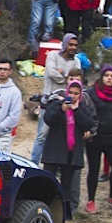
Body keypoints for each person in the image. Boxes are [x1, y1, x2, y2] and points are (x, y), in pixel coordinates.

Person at [42, 80, 95, 214]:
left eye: (76, 93)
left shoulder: (83, 107)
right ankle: (44, 208)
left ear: (80, 95)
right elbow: (48, 119)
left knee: (66, 186)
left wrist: (76, 110)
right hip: (54, 151)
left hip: (70, 154)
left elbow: (88, 124)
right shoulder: (56, 103)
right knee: (47, 182)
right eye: (70, 92)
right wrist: (62, 109)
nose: (72, 96)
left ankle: (62, 212)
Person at [30, 34, 81, 164]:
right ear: (65, 44)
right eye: (70, 44)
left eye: (75, 45)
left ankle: (56, 165)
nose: (73, 48)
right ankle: (33, 164)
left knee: (61, 136)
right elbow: (52, 73)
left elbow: (77, 79)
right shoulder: (53, 55)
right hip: (49, 102)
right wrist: (67, 77)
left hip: (66, 103)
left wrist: (64, 75)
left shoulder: (77, 61)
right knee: (42, 136)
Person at [84, 65, 112, 213]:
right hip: (95, 139)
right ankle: (91, 200)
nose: (109, 78)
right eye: (106, 75)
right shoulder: (91, 93)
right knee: (94, 169)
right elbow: (87, 114)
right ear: (101, 77)